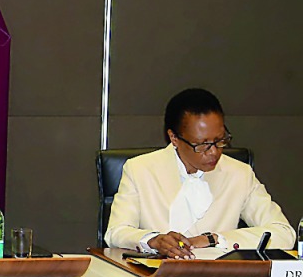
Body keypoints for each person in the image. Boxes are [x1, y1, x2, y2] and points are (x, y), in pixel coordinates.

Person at [104, 87, 293, 258]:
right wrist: (153, 240)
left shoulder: (239, 174)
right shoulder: (140, 169)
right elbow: (116, 232)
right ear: (174, 138)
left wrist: (216, 239)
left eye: (220, 140)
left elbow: (284, 233)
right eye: (202, 144)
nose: (214, 152)